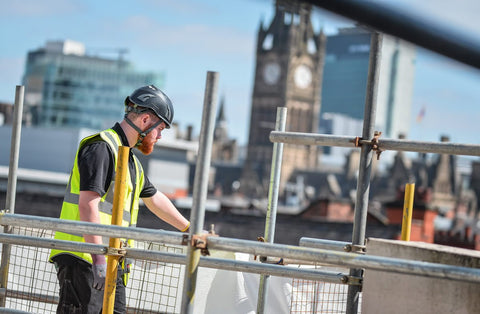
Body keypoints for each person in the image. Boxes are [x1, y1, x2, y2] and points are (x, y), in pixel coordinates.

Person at [49, 85, 190, 314]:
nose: (161, 136)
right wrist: (99, 262)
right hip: (86, 259)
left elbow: (156, 200)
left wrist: (189, 229)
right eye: (160, 128)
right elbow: (88, 205)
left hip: (112, 261)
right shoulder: (102, 148)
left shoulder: (130, 161)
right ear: (145, 120)